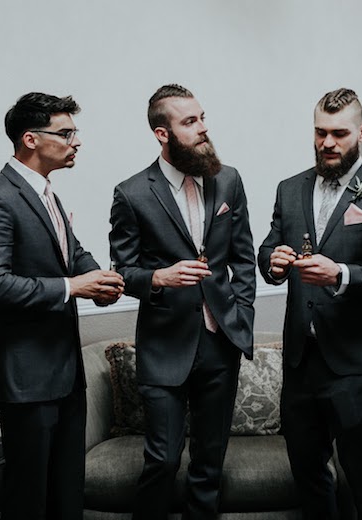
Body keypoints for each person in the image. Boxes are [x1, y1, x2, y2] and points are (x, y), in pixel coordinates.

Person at [259, 87, 362, 520]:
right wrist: (271, 262)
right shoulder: (289, 189)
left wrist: (342, 275)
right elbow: (270, 246)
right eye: (320, 132)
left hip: (356, 364)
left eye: (339, 133)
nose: (327, 142)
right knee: (307, 473)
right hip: (301, 362)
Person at [0, 92, 124, 519]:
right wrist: (73, 287)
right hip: (27, 377)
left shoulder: (47, 194)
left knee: (66, 494)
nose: (76, 142)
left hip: (66, 373)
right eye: (66, 133)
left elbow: (73, 254)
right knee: (30, 498)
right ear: (30, 139)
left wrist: (106, 282)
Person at [109, 84, 256, 519]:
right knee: (163, 462)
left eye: (202, 117)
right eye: (189, 122)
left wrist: (241, 313)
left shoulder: (228, 179)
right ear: (162, 133)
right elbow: (122, 271)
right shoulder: (132, 193)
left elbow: (244, 256)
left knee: (208, 466)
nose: (203, 128)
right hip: (165, 345)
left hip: (219, 343)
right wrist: (159, 277)